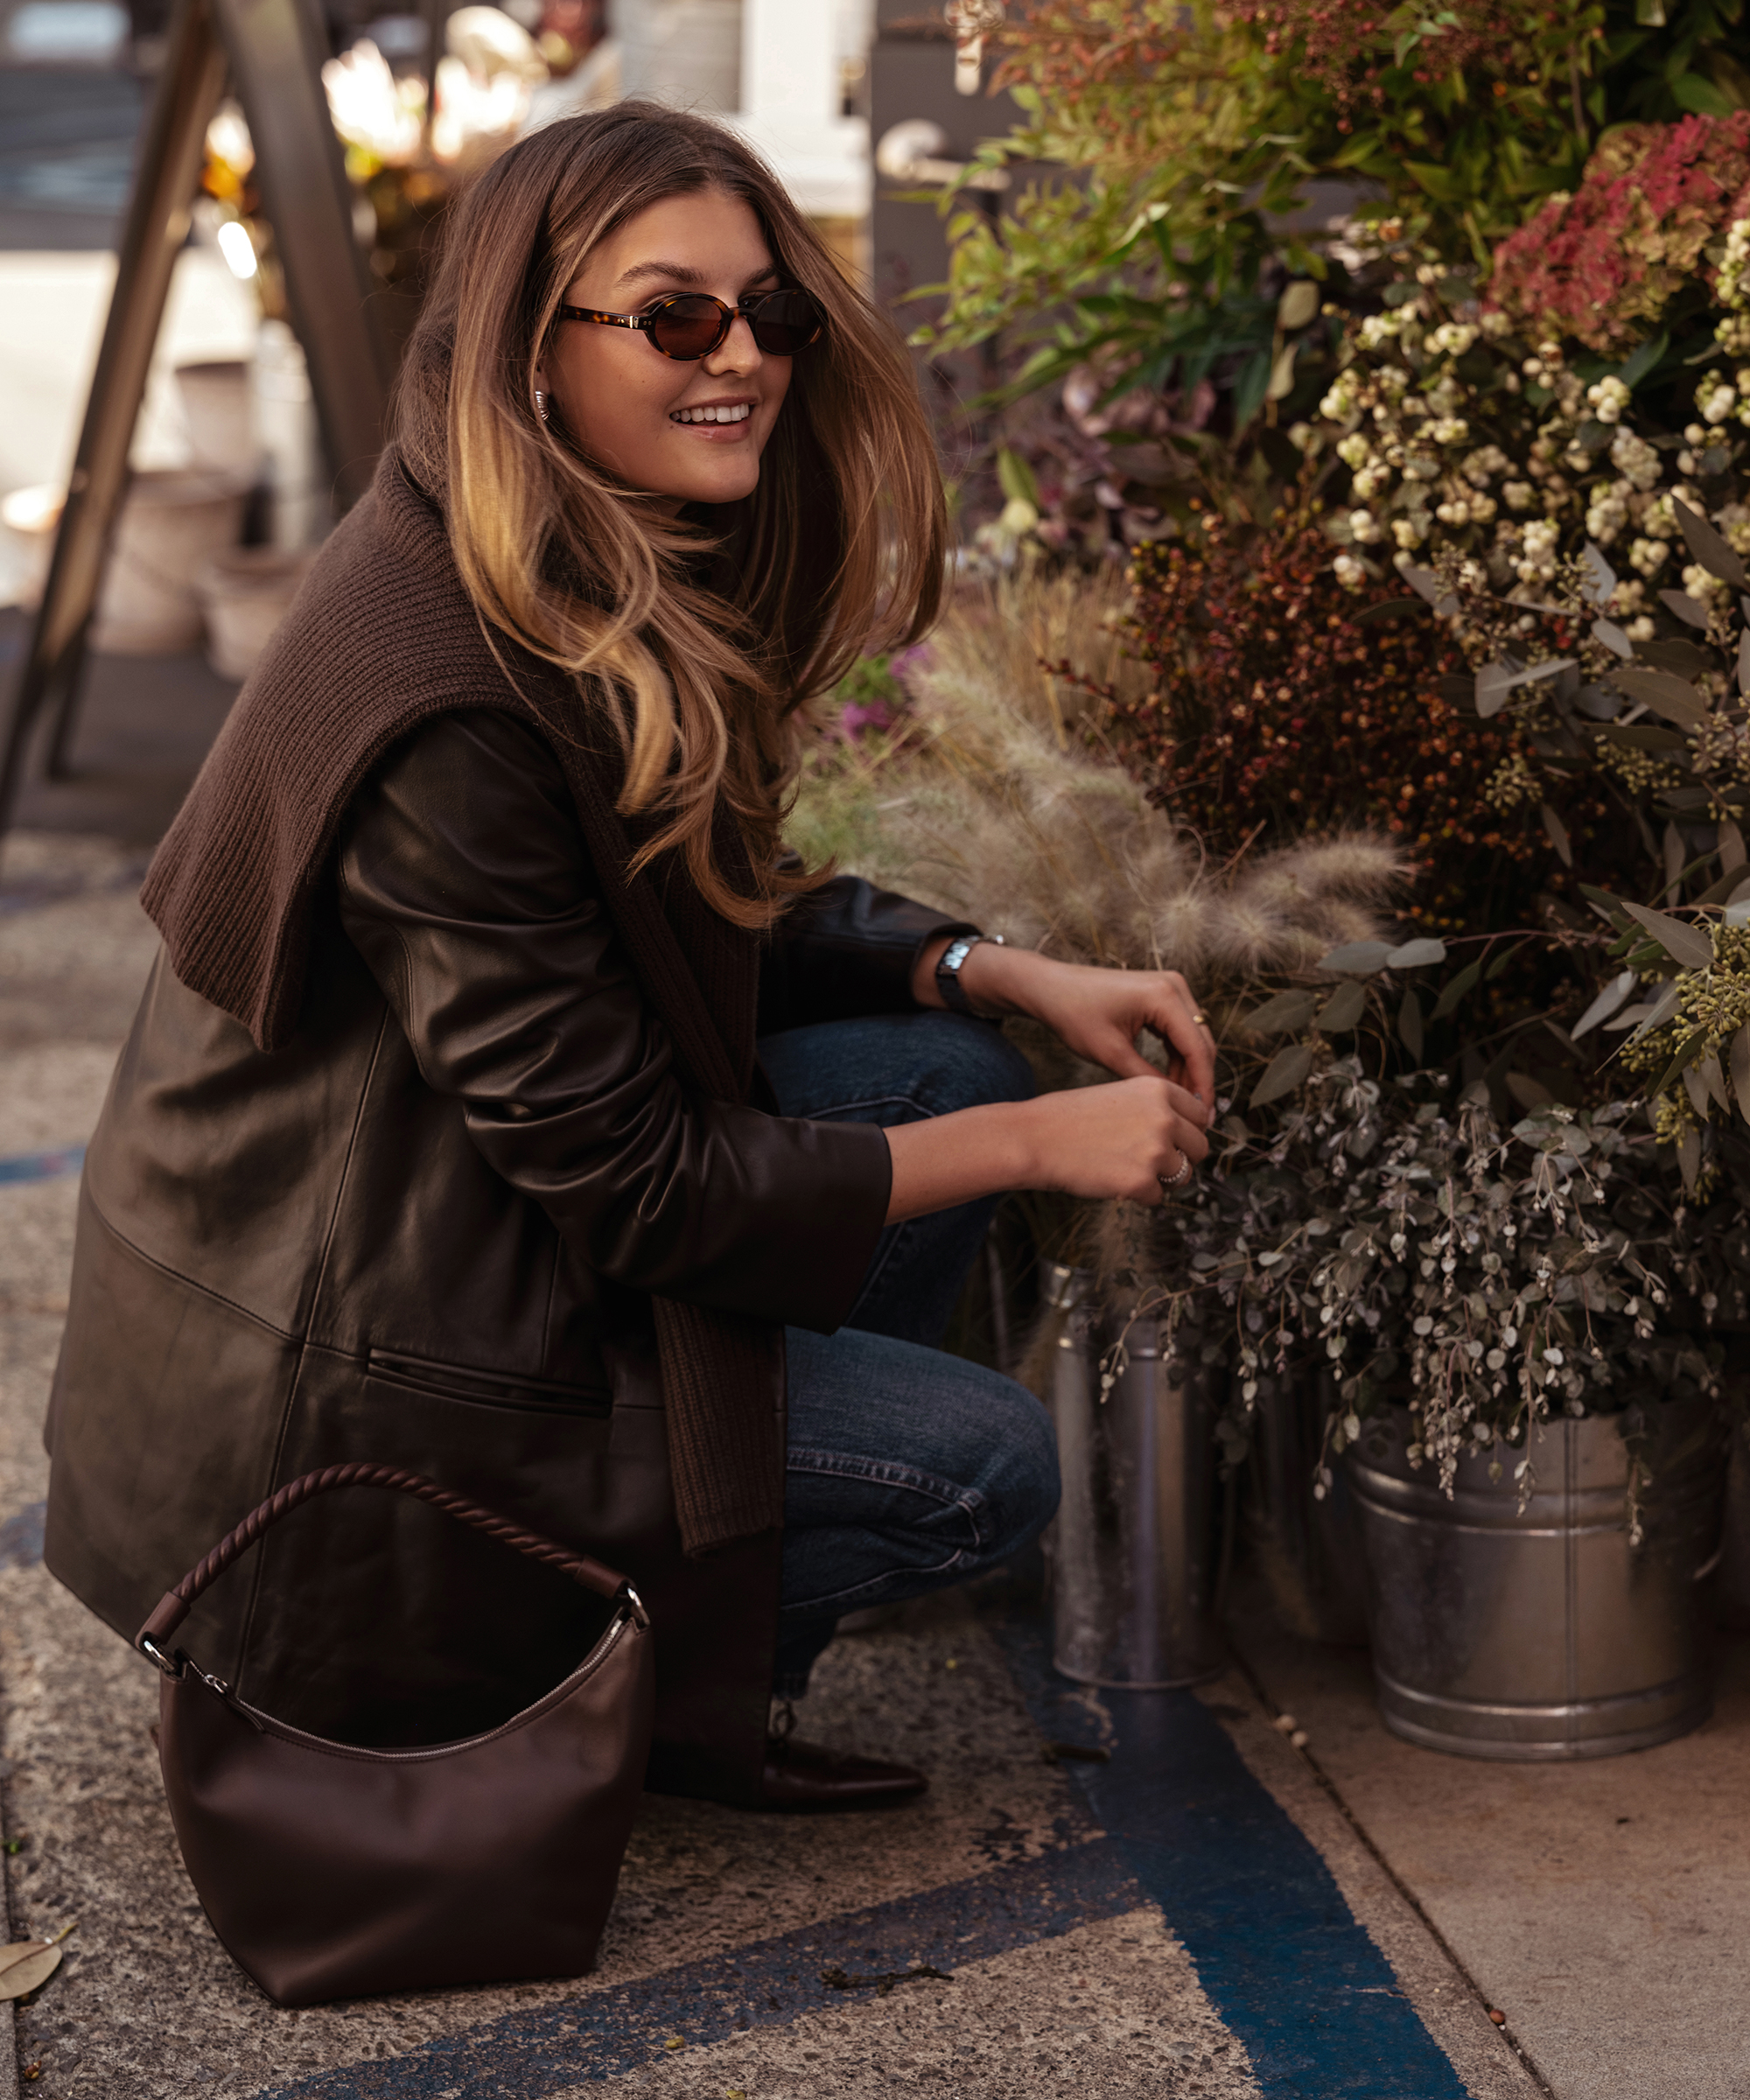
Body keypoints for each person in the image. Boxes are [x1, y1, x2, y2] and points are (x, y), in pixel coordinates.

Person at [44, 103, 1213, 1812]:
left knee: (934, 1065)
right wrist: (1044, 1144)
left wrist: (989, 971)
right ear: (533, 350)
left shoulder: (538, 559)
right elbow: (640, 1188)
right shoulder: (448, 697)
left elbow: (679, 911)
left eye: (772, 314)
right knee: (979, 1470)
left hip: (450, 1257)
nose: (742, 356)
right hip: (349, 1438)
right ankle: (606, 1695)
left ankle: (708, 1665)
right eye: (676, 317)